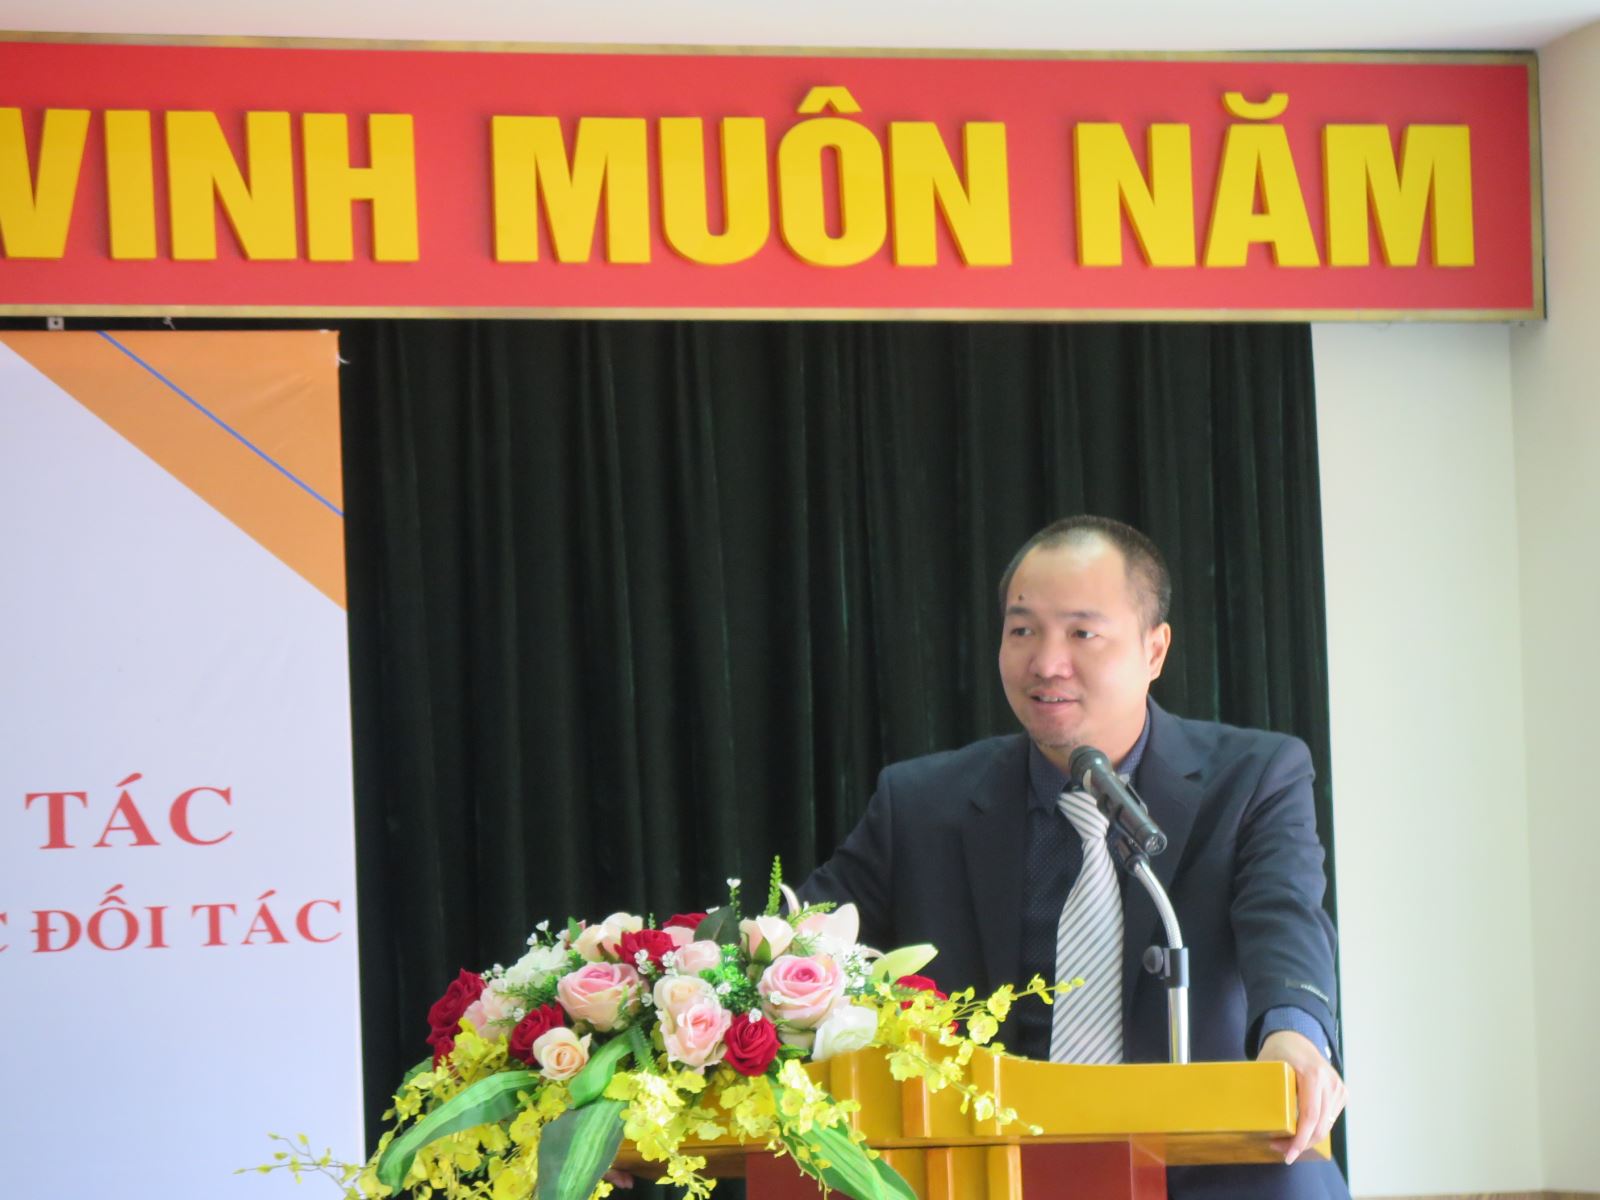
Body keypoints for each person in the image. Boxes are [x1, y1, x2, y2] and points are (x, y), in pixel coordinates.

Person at [800, 515, 1350, 1200]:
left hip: (1211, 1163)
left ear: (1154, 650)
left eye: (1082, 633)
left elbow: (1285, 917)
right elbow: (801, 944)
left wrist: (1295, 1035)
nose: (1046, 662)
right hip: (981, 1168)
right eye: (1022, 630)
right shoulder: (919, 803)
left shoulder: (1255, 776)